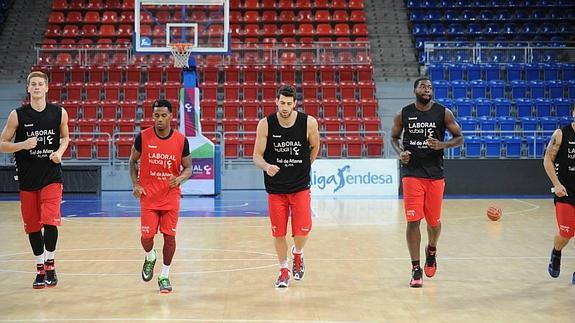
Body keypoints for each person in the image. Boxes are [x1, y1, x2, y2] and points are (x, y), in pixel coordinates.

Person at [390, 76, 463, 288]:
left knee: (433, 222)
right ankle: (415, 269)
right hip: (411, 173)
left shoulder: (443, 112)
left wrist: (442, 145)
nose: (427, 89)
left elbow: (459, 137)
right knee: (413, 221)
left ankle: (432, 249)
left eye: (430, 87)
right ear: (415, 90)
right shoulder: (403, 113)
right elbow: (394, 138)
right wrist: (400, 153)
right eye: (423, 86)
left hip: (435, 175)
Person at [0, 71, 69, 289]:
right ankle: (40, 268)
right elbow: (2, 143)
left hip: (51, 176)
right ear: (28, 89)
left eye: (41, 84)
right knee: (32, 227)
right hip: (27, 178)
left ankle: (50, 265)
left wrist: (60, 152)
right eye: (33, 84)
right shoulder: (17, 115)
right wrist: (22, 145)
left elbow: (65, 137)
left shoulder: (59, 113)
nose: (37, 87)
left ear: (47, 88)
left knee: (50, 221)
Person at [253, 85, 320, 288]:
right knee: (278, 233)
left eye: (288, 104)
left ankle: (297, 253)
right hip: (276, 189)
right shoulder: (266, 124)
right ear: (277, 101)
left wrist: (305, 165)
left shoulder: (308, 122)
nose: (284, 107)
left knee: (303, 231)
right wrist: (266, 166)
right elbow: (256, 155)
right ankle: (283, 269)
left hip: (300, 186)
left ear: (295, 104)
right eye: (282, 102)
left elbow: (315, 146)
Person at [129, 99, 192, 293]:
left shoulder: (181, 140)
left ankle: (164, 276)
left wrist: (180, 178)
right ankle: (150, 256)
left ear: (171, 116)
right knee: (146, 236)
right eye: (156, 115)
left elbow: (188, 168)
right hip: (148, 197)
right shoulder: (143, 137)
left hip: (171, 197)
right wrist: (136, 184)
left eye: (164, 115)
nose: (160, 119)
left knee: (170, 237)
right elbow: (132, 161)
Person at [543, 106, 575, 282]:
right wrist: (556, 183)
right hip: (565, 192)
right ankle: (556, 253)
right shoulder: (561, 134)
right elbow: (548, 159)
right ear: (573, 113)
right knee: (566, 233)